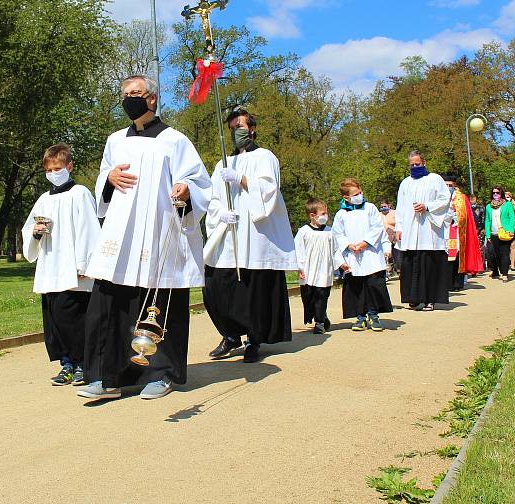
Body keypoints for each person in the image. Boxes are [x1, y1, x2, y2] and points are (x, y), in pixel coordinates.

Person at [80, 75, 212, 401]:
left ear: (152, 99)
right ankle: (106, 377)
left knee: (160, 303)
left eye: (136, 93)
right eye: (125, 94)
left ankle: (162, 373)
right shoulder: (115, 140)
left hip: (158, 232)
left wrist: (187, 190)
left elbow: (198, 183)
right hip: (120, 237)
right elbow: (103, 182)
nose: (129, 99)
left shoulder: (175, 140)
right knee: (109, 302)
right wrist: (108, 178)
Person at [203, 107, 296, 363]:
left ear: (252, 129)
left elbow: (268, 192)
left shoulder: (265, 156)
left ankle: (254, 339)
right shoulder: (222, 163)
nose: (236, 132)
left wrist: (241, 178)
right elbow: (211, 198)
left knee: (254, 290)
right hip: (229, 234)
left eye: (240, 127)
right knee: (215, 287)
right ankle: (231, 334)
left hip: (255, 236)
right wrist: (220, 212)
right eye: (232, 128)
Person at [21, 144, 101, 386]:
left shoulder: (80, 193)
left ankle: (83, 364)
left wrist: (85, 264)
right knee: (55, 320)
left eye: (57, 168)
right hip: (50, 268)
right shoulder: (44, 199)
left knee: (74, 318)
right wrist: (35, 233)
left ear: (69, 167)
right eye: (48, 169)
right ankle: (66, 363)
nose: (53, 172)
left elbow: (88, 229)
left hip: (73, 270)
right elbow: (29, 228)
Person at [332, 178, 392, 331]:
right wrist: (348, 245)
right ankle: (360, 317)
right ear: (346, 197)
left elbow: (377, 228)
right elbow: (337, 234)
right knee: (356, 287)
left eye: (360, 192)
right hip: (353, 256)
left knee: (373, 285)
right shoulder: (341, 214)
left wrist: (366, 243)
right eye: (355, 194)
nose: (360, 195)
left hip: (370, 253)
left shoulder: (370, 208)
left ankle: (374, 315)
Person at [395, 150, 451, 312]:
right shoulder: (405, 183)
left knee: (429, 264)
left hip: (429, 229)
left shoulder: (435, 179)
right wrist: (399, 227)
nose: (414, 167)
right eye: (411, 165)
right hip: (410, 230)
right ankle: (413, 298)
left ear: (424, 163)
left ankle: (430, 299)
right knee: (411, 264)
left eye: (417, 164)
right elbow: (401, 207)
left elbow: (444, 199)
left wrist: (427, 207)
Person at [294, 198, 342, 334]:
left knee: (322, 296)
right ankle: (318, 316)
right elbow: (298, 251)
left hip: (324, 270)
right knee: (309, 297)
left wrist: (341, 264)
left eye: (326, 213)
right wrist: (300, 267)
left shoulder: (330, 232)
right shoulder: (303, 232)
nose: (325, 216)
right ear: (312, 215)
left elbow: (335, 250)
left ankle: (320, 322)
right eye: (323, 213)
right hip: (308, 271)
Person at [443, 173, 484, 290]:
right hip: (443, 231)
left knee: (456, 258)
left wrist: (456, 217)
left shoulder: (461, 198)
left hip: (456, 231)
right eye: (445, 185)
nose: (448, 187)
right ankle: (446, 283)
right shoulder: (438, 196)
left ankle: (457, 283)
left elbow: (466, 215)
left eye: (450, 185)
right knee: (445, 258)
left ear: (454, 185)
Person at [484, 185, 515, 282]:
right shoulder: (489, 206)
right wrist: (488, 234)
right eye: (493, 193)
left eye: (497, 192)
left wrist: (511, 230)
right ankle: (501, 270)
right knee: (496, 254)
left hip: (505, 233)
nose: (495, 194)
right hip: (494, 233)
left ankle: (505, 273)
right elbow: (487, 221)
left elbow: (512, 218)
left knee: (505, 253)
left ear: (501, 193)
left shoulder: (507, 205)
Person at [379, 200, 399, 276]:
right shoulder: (378, 215)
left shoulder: (395, 213)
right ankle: (387, 272)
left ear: (389, 206)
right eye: (381, 207)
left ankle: (399, 270)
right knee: (386, 256)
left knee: (397, 255)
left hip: (395, 236)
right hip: (384, 238)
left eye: (384, 206)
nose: (383, 208)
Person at [506, 192, 515, 271]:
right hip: (504, 229)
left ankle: (512, 264)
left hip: (513, 228)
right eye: (505, 197)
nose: (507, 198)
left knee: (513, 245)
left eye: (508, 197)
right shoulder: (502, 206)